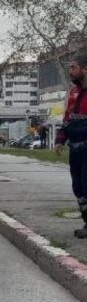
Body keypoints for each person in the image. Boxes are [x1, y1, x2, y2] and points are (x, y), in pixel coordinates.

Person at [55, 54, 87, 238]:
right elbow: (67, 119)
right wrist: (60, 140)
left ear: (84, 69)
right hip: (75, 148)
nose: (70, 71)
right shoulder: (73, 93)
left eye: (73, 67)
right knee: (78, 187)